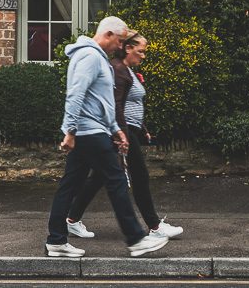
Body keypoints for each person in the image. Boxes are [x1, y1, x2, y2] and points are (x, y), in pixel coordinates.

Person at [45, 17, 170, 259]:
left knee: (70, 185)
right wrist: (70, 131)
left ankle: (56, 241)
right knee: (116, 180)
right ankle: (135, 239)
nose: (120, 46)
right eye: (120, 40)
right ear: (109, 34)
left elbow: (101, 101)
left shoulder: (97, 58)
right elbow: (75, 93)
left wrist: (115, 129)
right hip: (89, 131)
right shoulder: (90, 57)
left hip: (93, 129)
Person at [65, 32, 183, 242]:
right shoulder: (118, 71)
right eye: (141, 51)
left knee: (99, 177)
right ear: (128, 49)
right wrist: (121, 135)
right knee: (139, 177)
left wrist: (143, 127)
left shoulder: (125, 71)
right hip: (123, 131)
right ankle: (154, 227)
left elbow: (132, 103)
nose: (143, 56)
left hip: (129, 130)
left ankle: (72, 219)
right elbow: (115, 104)